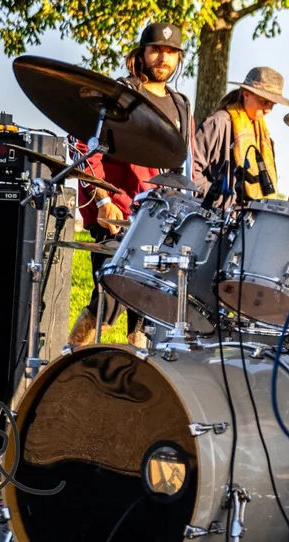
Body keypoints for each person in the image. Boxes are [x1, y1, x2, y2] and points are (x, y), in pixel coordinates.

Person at [68, 22, 197, 347]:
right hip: (119, 217)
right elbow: (85, 146)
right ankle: (69, 358)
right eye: (156, 50)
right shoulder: (120, 94)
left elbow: (184, 165)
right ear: (141, 54)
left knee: (146, 317)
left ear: (179, 58)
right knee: (107, 302)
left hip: (161, 221)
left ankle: (133, 371)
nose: (163, 58)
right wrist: (102, 201)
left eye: (171, 52)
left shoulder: (181, 105)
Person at [194, 66, 289, 206]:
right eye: (264, 102)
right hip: (213, 215)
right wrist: (219, 199)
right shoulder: (219, 123)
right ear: (246, 94)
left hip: (247, 217)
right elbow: (191, 170)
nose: (267, 110)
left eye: (272, 105)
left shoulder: (266, 139)